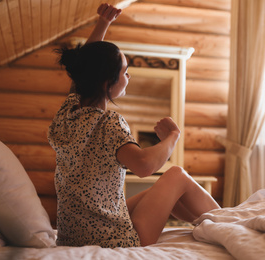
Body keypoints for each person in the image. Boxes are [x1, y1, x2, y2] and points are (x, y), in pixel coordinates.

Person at [48, 3, 220, 248]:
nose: (128, 76)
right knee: (176, 175)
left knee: (161, 193)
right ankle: (230, 225)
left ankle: (216, 226)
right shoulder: (108, 123)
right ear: (108, 81)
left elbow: (85, 68)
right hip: (110, 239)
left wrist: (103, 24)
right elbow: (144, 165)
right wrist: (172, 136)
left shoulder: (67, 114)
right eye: (125, 71)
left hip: (74, 233)